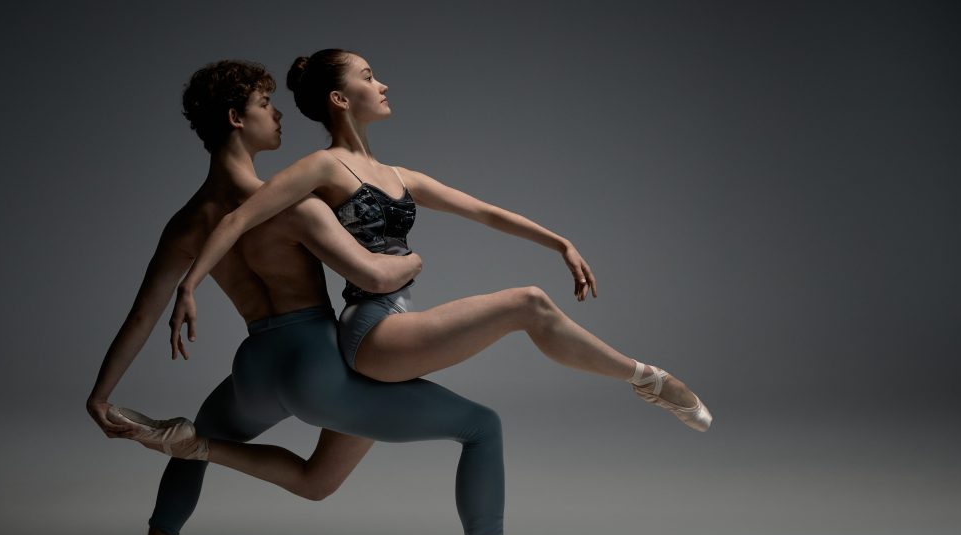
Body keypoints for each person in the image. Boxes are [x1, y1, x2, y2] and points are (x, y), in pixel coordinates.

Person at [91, 59, 565, 535]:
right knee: (481, 427)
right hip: (318, 368)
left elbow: (143, 315)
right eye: (265, 105)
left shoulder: (188, 222)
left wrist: (101, 394)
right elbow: (375, 277)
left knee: (199, 443)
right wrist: (413, 258)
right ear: (235, 119)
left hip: (254, 370)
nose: (278, 113)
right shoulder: (298, 205)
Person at [168, 49, 712, 432]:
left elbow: (485, 212)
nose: (381, 85)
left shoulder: (401, 175)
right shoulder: (321, 167)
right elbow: (238, 221)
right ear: (339, 97)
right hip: (371, 330)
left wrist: (559, 242)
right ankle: (650, 380)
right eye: (368, 75)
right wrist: (189, 286)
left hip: (400, 318)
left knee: (321, 482)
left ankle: (646, 380)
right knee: (528, 303)